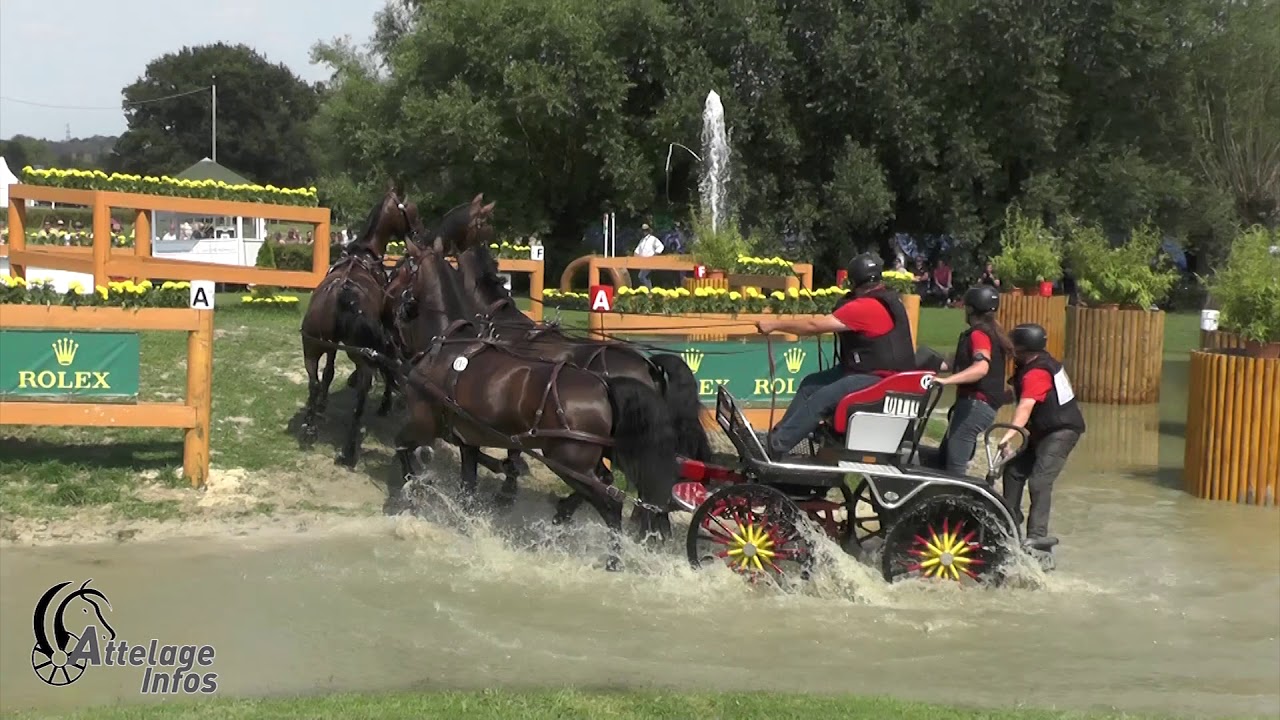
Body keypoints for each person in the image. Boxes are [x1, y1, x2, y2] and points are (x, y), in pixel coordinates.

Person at [756, 253, 915, 458]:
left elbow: (814, 325)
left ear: (853, 281)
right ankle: (779, 436)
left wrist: (774, 324)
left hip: (882, 379)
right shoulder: (881, 300)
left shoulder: (867, 307)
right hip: (868, 371)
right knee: (811, 385)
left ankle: (775, 446)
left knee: (823, 397)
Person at [997, 323, 1086, 550]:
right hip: (1043, 431)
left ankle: (1037, 538)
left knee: (1039, 480)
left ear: (1022, 348)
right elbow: (1018, 395)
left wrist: (1009, 436)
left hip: (1061, 432)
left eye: (1013, 346)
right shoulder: (1033, 365)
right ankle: (1008, 522)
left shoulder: (1037, 371)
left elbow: (1026, 406)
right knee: (1014, 471)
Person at [931, 286, 1013, 476]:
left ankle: (957, 501)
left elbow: (981, 368)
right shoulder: (991, 332)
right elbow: (951, 363)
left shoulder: (979, 334)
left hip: (975, 407)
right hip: (978, 406)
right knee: (945, 457)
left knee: (956, 467)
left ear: (970, 309)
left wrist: (946, 382)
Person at [634, 223, 664, 288]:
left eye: (646, 230)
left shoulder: (653, 239)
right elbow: (637, 251)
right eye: (643, 230)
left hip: (650, 262)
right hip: (642, 263)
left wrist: (655, 255)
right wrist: (635, 258)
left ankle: (649, 291)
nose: (644, 232)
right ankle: (647, 291)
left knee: (642, 276)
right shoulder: (642, 241)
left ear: (648, 230)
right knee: (645, 277)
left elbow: (660, 247)